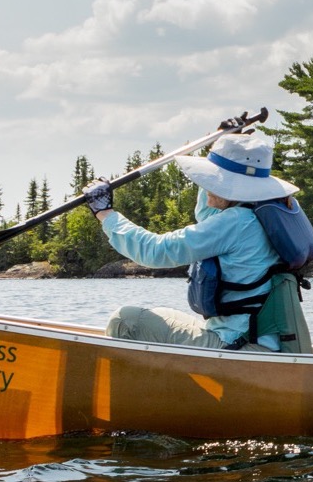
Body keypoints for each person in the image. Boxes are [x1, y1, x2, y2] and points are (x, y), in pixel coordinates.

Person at [84, 133, 298, 350]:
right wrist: (219, 143)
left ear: (236, 186)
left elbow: (157, 251)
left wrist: (105, 213)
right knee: (160, 314)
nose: (207, 187)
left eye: (214, 180)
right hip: (258, 337)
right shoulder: (266, 210)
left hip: (237, 342)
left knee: (124, 321)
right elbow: (207, 215)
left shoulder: (236, 222)